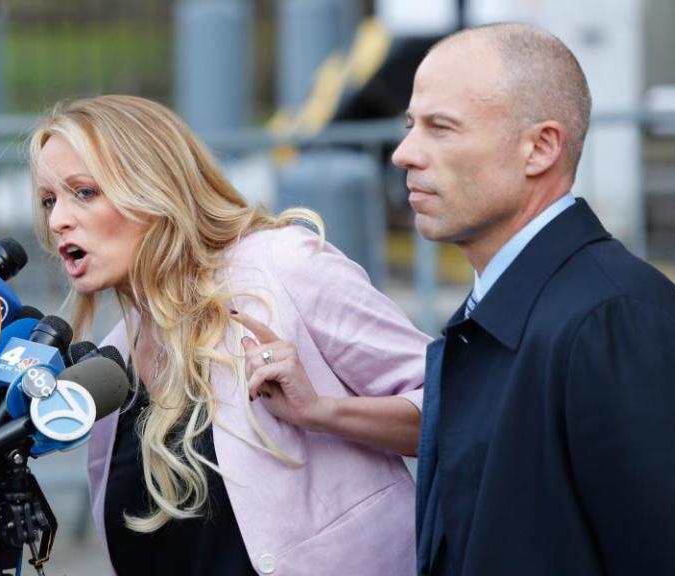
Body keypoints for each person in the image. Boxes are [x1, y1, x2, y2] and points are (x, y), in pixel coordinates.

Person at [29, 95, 431, 575]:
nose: (57, 221)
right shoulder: (110, 363)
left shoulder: (282, 266)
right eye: (49, 201)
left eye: (85, 192)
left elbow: (461, 412)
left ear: (154, 186)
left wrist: (323, 412)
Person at [391, 23, 675, 576]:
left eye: (442, 128)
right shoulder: (515, 310)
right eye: (411, 125)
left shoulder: (614, 319)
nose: (405, 153)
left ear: (540, 148)